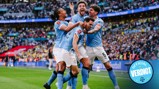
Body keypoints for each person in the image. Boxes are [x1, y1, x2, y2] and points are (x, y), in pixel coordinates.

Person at [43, 8, 80, 89]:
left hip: (67, 48)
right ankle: (59, 87)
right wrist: (77, 24)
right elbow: (67, 28)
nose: (65, 11)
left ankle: (49, 84)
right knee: (61, 66)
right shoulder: (58, 22)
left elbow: (72, 21)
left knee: (65, 69)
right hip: (59, 48)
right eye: (63, 10)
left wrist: (72, 11)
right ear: (59, 14)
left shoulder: (66, 22)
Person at [85, 4, 120, 89]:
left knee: (108, 66)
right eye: (89, 10)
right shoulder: (86, 20)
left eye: (91, 10)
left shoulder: (99, 21)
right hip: (88, 47)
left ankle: (116, 86)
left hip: (98, 47)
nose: (89, 11)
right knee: (87, 68)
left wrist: (87, 32)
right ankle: (85, 85)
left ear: (96, 12)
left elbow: (96, 29)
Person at [61, 17, 94, 89]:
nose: (91, 26)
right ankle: (63, 83)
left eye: (92, 25)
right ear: (85, 22)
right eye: (90, 24)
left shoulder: (83, 29)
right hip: (72, 50)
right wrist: (78, 54)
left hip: (78, 48)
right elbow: (74, 43)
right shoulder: (79, 30)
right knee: (75, 71)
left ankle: (84, 86)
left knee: (86, 64)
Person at [66, 1, 89, 89]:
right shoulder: (75, 17)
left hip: (80, 44)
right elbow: (71, 25)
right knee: (73, 69)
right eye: (80, 6)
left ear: (85, 8)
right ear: (78, 8)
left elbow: (88, 28)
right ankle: (68, 85)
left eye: (83, 6)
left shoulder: (87, 18)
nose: (82, 7)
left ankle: (85, 85)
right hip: (72, 44)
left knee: (86, 63)